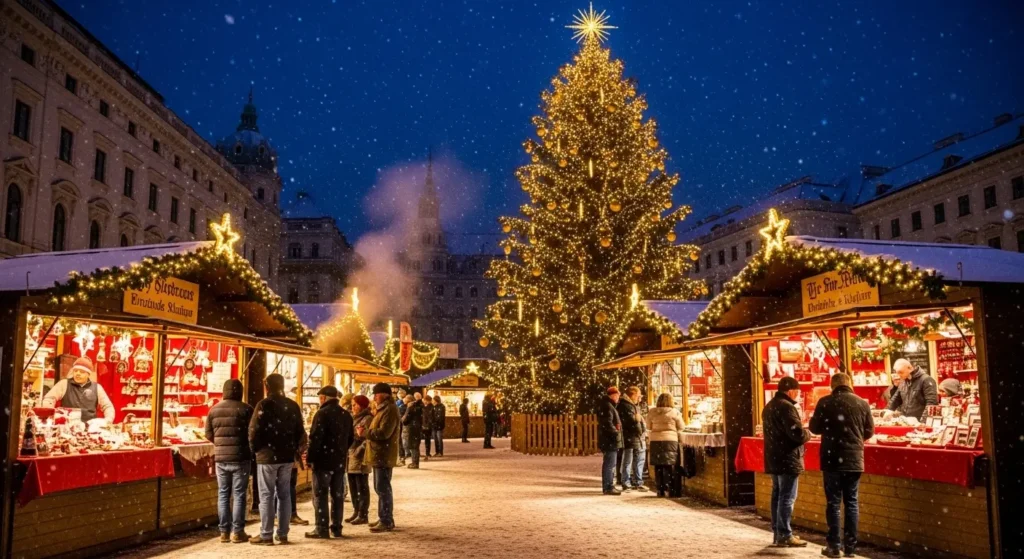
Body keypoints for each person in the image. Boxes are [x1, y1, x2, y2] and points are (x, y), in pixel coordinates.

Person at [809, 373, 874, 558]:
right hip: (854, 459)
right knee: (852, 502)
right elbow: (869, 431)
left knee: (833, 503)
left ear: (832, 385)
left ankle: (834, 546)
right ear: (850, 384)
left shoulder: (825, 402)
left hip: (832, 459)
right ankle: (851, 548)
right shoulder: (862, 403)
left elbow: (814, 428)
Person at [248, 373, 308, 545]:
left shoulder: (264, 405)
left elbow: (253, 432)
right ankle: (282, 533)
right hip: (287, 456)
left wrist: (256, 450)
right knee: (284, 494)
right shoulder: (292, 405)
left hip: (267, 457)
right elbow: (300, 431)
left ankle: (266, 534)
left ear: (267, 386)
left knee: (266, 495)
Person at [762, 376, 812, 548]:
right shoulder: (787, 407)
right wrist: (808, 434)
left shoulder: (769, 406)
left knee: (777, 495)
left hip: (774, 457)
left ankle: (778, 532)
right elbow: (797, 434)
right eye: (797, 391)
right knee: (787, 497)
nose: (798, 394)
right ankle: (784, 534)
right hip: (787, 458)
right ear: (791, 390)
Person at [204, 378, 254, 544]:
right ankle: (238, 532)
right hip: (241, 457)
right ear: (240, 391)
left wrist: (220, 445)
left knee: (223, 494)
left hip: (221, 458)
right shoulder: (247, 409)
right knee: (239, 494)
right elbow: (252, 434)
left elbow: (208, 434)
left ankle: (224, 532)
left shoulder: (214, 410)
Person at [305, 386, 353, 539]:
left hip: (323, 461)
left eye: (320, 397)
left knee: (320, 494)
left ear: (324, 398)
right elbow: (350, 438)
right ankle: (337, 528)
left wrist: (310, 458)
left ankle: (321, 528)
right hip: (339, 461)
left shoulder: (322, 414)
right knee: (337, 495)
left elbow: (315, 439)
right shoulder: (346, 415)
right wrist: (341, 451)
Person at [361, 382, 400, 532]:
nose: (374, 397)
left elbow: (384, 433)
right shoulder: (383, 409)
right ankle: (383, 517)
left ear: (385, 395)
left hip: (383, 453)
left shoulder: (389, 410)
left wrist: (366, 433)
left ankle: (386, 519)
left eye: (376, 394)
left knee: (383, 487)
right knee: (380, 487)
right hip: (380, 453)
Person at [40, 357, 114, 422]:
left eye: (82, 372)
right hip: (67, 428)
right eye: (75, 371)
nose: (78, 374)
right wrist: (50, 414)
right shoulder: (64, 384)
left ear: (88, 374)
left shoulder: (97, 388)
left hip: (89, 429)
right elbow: (49, 399)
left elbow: (108, 407)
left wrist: (108, 420)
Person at [646, 393, 684, 498]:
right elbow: (681, 426)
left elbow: (648, 426)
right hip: (670, 440)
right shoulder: (675, 412)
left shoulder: (652, 412)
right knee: (670, 465)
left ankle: (660, 490)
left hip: (655, 441)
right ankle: (671, 490)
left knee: (658, 466)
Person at [346, 394, 373, 525]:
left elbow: (368, 438)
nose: (353, 407)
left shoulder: (367, 419)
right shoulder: (353, 418)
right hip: (350, 455)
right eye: (352, 405)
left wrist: (359, 450)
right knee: (353, 486)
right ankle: (356, 511)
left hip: (360, 457)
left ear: (362, 406)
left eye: (355, 405)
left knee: (361, 486)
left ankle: (363, 513)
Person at [617, 386, 646, 491]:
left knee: (634, 459)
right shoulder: (627, 406)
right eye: (638, 395)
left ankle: (634, 481)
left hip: (633, 437)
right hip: (631, 437)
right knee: (628, 460)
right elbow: (633, 422)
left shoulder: (630, 405)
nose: (640, 398)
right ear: (633, 394)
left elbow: (636, 420)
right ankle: (627, 482)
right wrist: (640, 430)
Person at [597, 386, 624, 495]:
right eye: (617, 395)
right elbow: (608, 423)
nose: (618, 398)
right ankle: (608, 486)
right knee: (610, 464)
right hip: (609, 440)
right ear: (613, 395)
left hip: (608, 440)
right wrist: (615, 434)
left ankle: (608, 485)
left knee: (610, 463)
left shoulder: (607, 405)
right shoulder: (608, 406)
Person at [401, 394, 422, 469]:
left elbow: (405, 420)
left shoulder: (410, 407)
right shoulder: (418, 407)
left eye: (406, 398)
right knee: (415, 446)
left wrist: (403, 418)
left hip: (411, 429)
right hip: (417, 428)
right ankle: (415, 462)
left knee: (413, 446)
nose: (404, 399)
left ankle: (415, 463)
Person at [396, 389, 408, 462]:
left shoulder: (403, 402)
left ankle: (402, 454)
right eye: (399, 393)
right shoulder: (397, 402)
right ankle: (401, 454)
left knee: (401, 440)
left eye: (401, 393)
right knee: (400, 440)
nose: (399, 394)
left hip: (401, 423)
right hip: (399, 422)